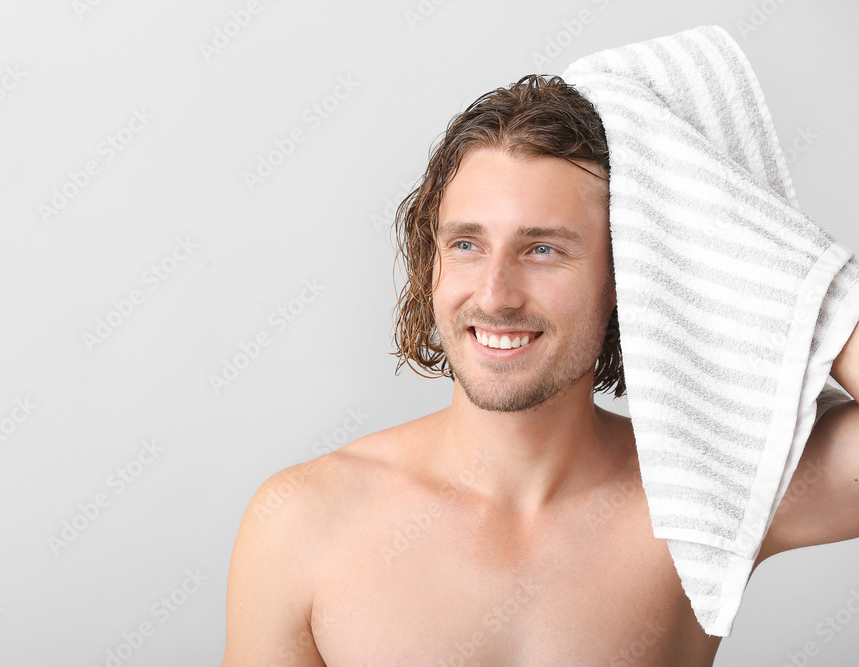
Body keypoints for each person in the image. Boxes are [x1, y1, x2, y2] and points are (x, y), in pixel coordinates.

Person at [222, 74, 859, 666]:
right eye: (466, 244)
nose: (495, 294)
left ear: (624, 277)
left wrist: (736, 236)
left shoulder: (706, 493)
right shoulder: (301, 520)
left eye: (543, 249)